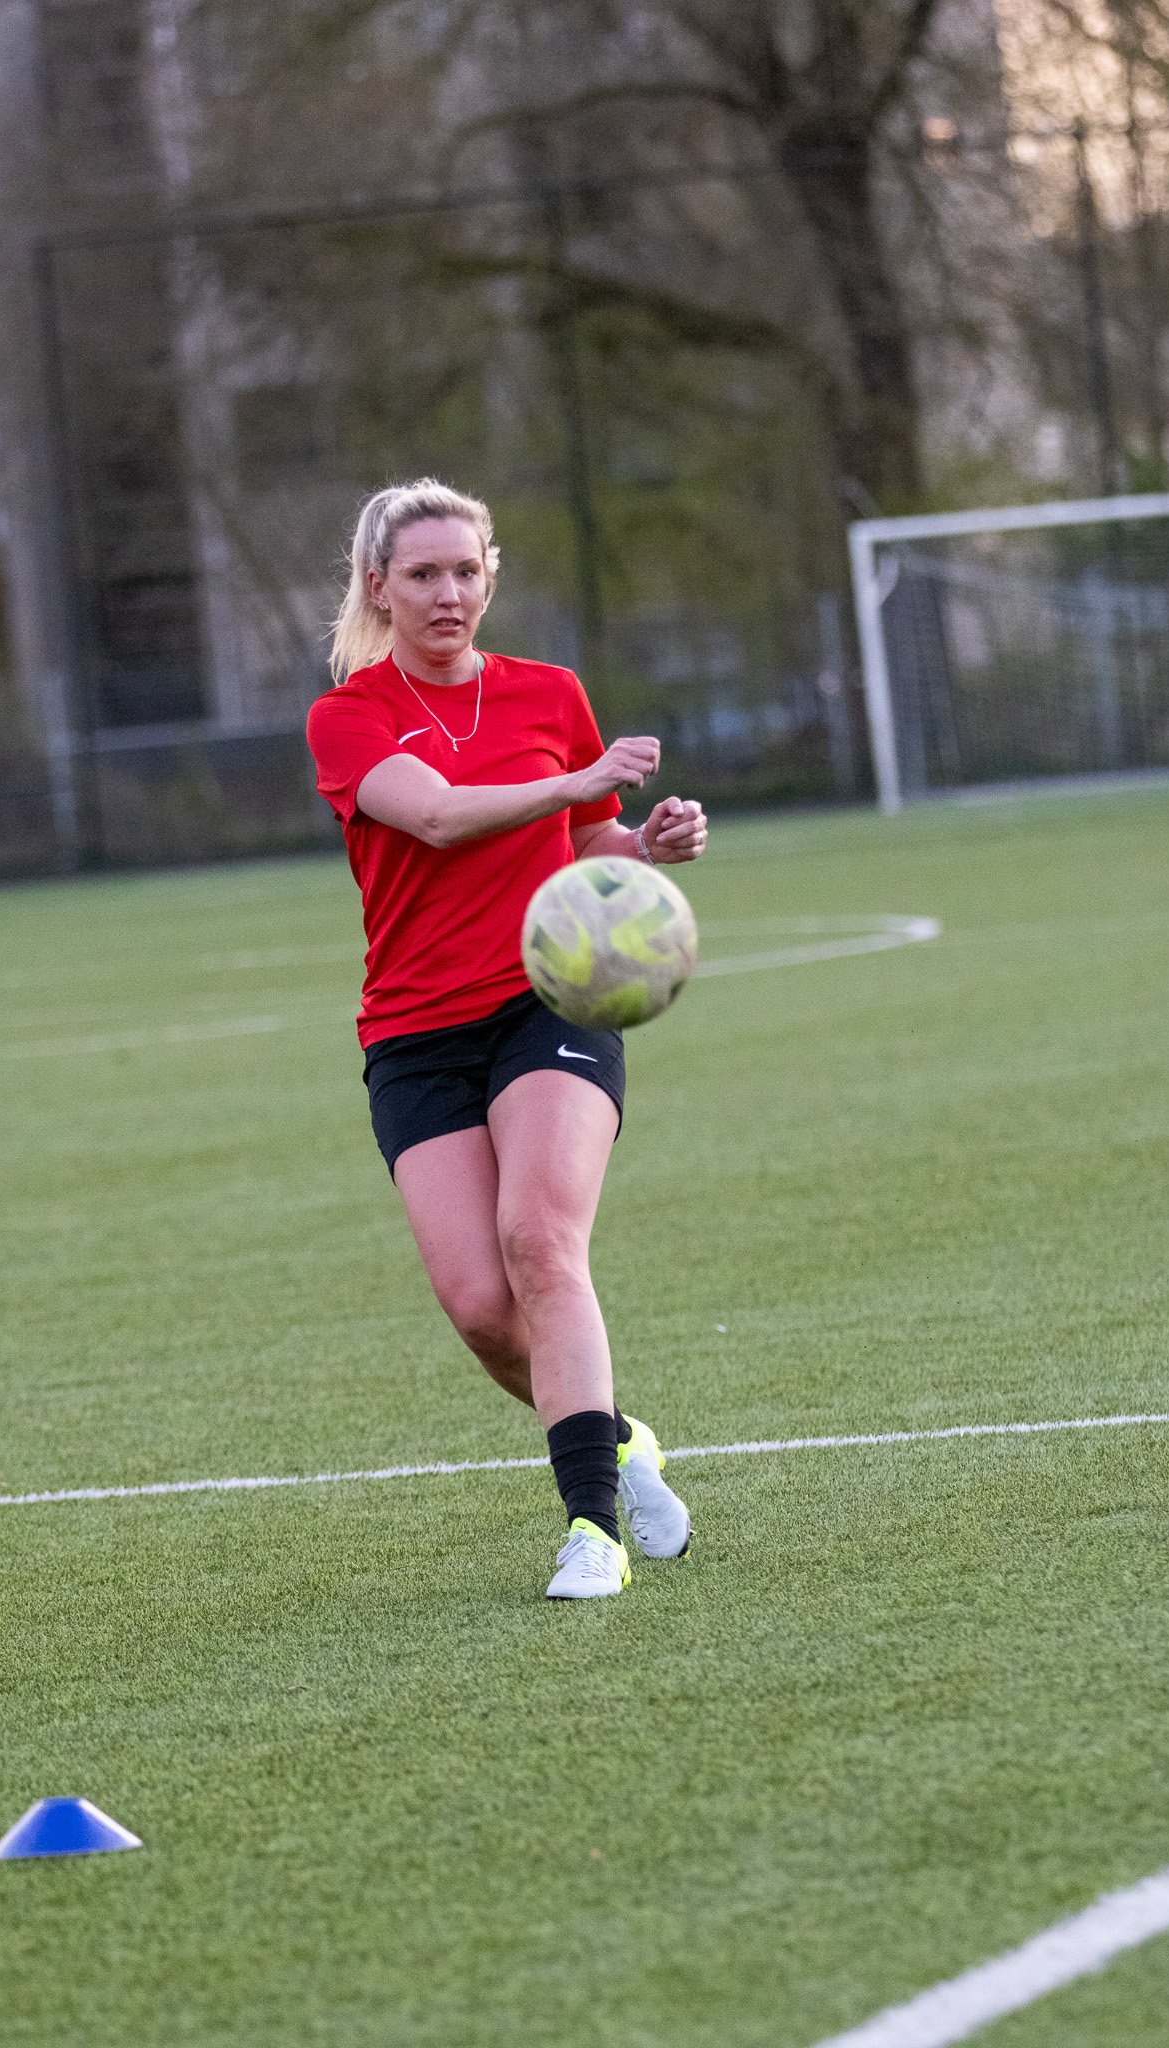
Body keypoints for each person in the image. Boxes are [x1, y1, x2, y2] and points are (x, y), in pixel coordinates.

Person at [306, 478, 708, 1599]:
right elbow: (432, 812)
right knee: (483, 1306)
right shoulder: (350, 713)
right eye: (423, 574)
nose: (448, 593)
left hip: (549, 1005)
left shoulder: (549, 693)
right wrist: (582, 783)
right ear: (378, 586)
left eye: (466, 571)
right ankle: (618, 1440)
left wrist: (647, 844)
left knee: (540, 1242)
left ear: (492, 576)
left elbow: (586, 846)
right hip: (414, 1033)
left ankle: (592, 1527)